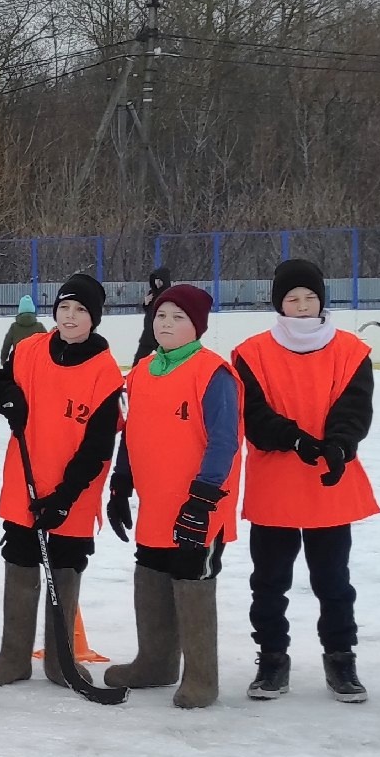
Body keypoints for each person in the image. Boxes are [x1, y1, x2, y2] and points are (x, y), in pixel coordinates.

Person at [229, 259, 379, 702]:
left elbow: (355, 409)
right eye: (292, 298)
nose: (300, 305)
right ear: (279, 302)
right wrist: (294, 440)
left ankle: (341, 659)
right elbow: (253, 416)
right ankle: (272, 658)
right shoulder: (250, 352)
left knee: (333, 580)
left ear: (321, 301)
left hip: (329, 482)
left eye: (309, 297)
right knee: (269, 581)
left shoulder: (351, 350)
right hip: (276, 483)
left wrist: (337, 446)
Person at [105, 284, 237, 707]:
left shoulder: (212, 373)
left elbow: (224, 441)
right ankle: (156, 663)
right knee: (152, 573)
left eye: (178, 317)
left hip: (198, 506)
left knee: (191, 578)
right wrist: (121, 484)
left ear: (197, 326)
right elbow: (132, 434)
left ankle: (201, 677)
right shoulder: (142, 370)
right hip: (155, 504)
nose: (166, 324)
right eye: (161, 316)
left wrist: (203, 497)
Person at [0, 274, 124, 687]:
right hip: (24, 483)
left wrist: (64, 497)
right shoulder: (30, 349)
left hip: (73, 493)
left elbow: (98, 448)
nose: (70, 317)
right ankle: (13, 657)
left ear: (94, 319)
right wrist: (8, 394)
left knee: (65, 565)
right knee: (21, 560)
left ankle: (59, 659)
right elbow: (2, 377)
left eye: (80, 311)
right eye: (65, 308)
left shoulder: (105, 373)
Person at [131, 266, 173, 364]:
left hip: (161, 334)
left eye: (159, 281)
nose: (157, 283)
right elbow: (149, 311)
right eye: (155, 281)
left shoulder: (169, 294)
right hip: (148, 334)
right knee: (139, 359)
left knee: (169, 359)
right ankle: (134, 376)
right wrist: (146, 303)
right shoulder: (152, 293)